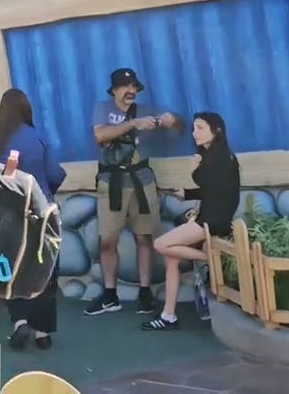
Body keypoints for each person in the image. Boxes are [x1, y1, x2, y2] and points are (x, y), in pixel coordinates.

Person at [87, 68, 183, 317]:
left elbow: (179, 129)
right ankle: (110, 294)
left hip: (143, 181)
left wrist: (173, 121)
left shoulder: (147, 109)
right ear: (115, 90)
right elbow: (99, 135)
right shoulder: (102, 108)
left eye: (135, 88)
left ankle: (145, 291)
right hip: (112, 183)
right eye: (126, 87)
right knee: (107, 240)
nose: (131, 92)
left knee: (144, 238)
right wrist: (133, 123)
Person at [0, 88, 66, 350]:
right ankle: (42, 332)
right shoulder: (37, 137)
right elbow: (56, 173)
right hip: (41, 214)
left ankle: (19, 321)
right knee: (45, 269)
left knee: (10, 269)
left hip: (6, 215)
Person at [142, 112, 241, 331]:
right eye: (194, 128)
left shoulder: (222, 158)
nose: (194, 133)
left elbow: (208, 184)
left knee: (161, 245)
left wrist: (195, 170)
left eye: (200, 128)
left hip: (213, 221)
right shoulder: (213, 156)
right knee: (171, 257)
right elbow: (211, 191)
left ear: (216, 131)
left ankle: (210, 258)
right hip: (207, 217)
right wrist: (186, 194)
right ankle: (168, 315)